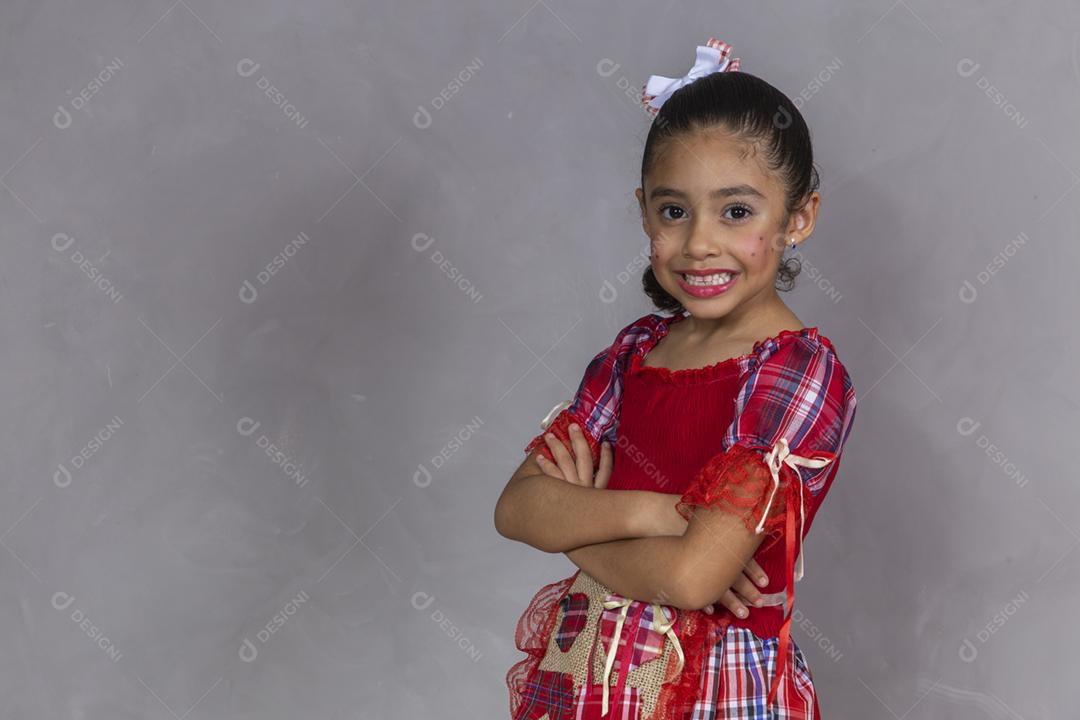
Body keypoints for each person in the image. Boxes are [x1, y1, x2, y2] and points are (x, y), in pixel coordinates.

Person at [494, 36, 858, 720]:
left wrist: (575, 525)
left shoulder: (795, 370)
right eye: (673, 211)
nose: (698, 243)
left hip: (720, 688)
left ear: (799, 217)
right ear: (643, 211)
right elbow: (515, 511)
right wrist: (659, 513)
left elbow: (693, 579)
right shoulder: (632, 355)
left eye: (737, 212)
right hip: (593, 677)